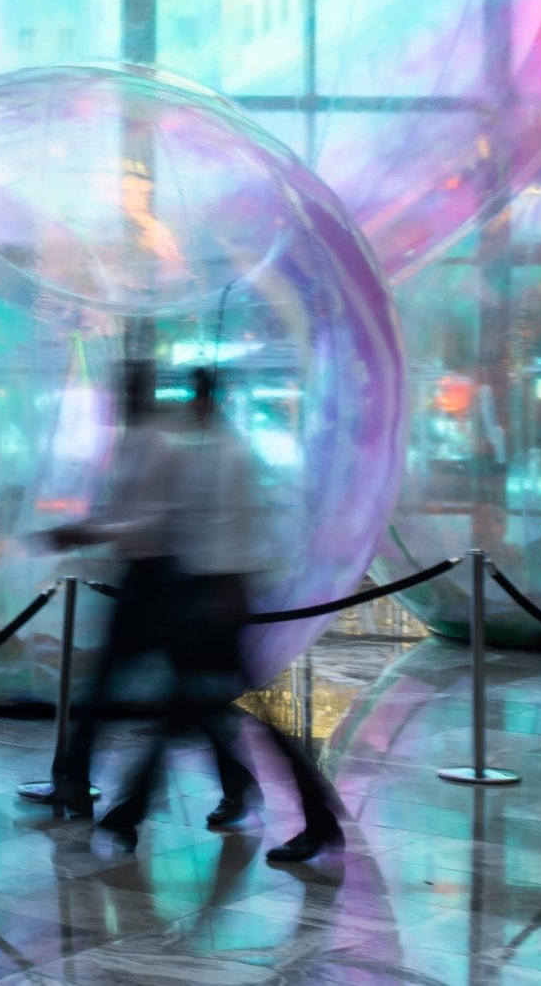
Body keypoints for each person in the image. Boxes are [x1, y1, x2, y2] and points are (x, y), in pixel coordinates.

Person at [51, 364, 343, 866]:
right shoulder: (211, 452)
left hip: (214, 599)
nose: (185, 407)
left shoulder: (224, 456)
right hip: (202, 596)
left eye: (192, 398)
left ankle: (314, 816)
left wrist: (219, 592)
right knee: (192, 714)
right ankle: (135, 813)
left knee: (206, 715)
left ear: (207, 400)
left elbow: (229, 530)